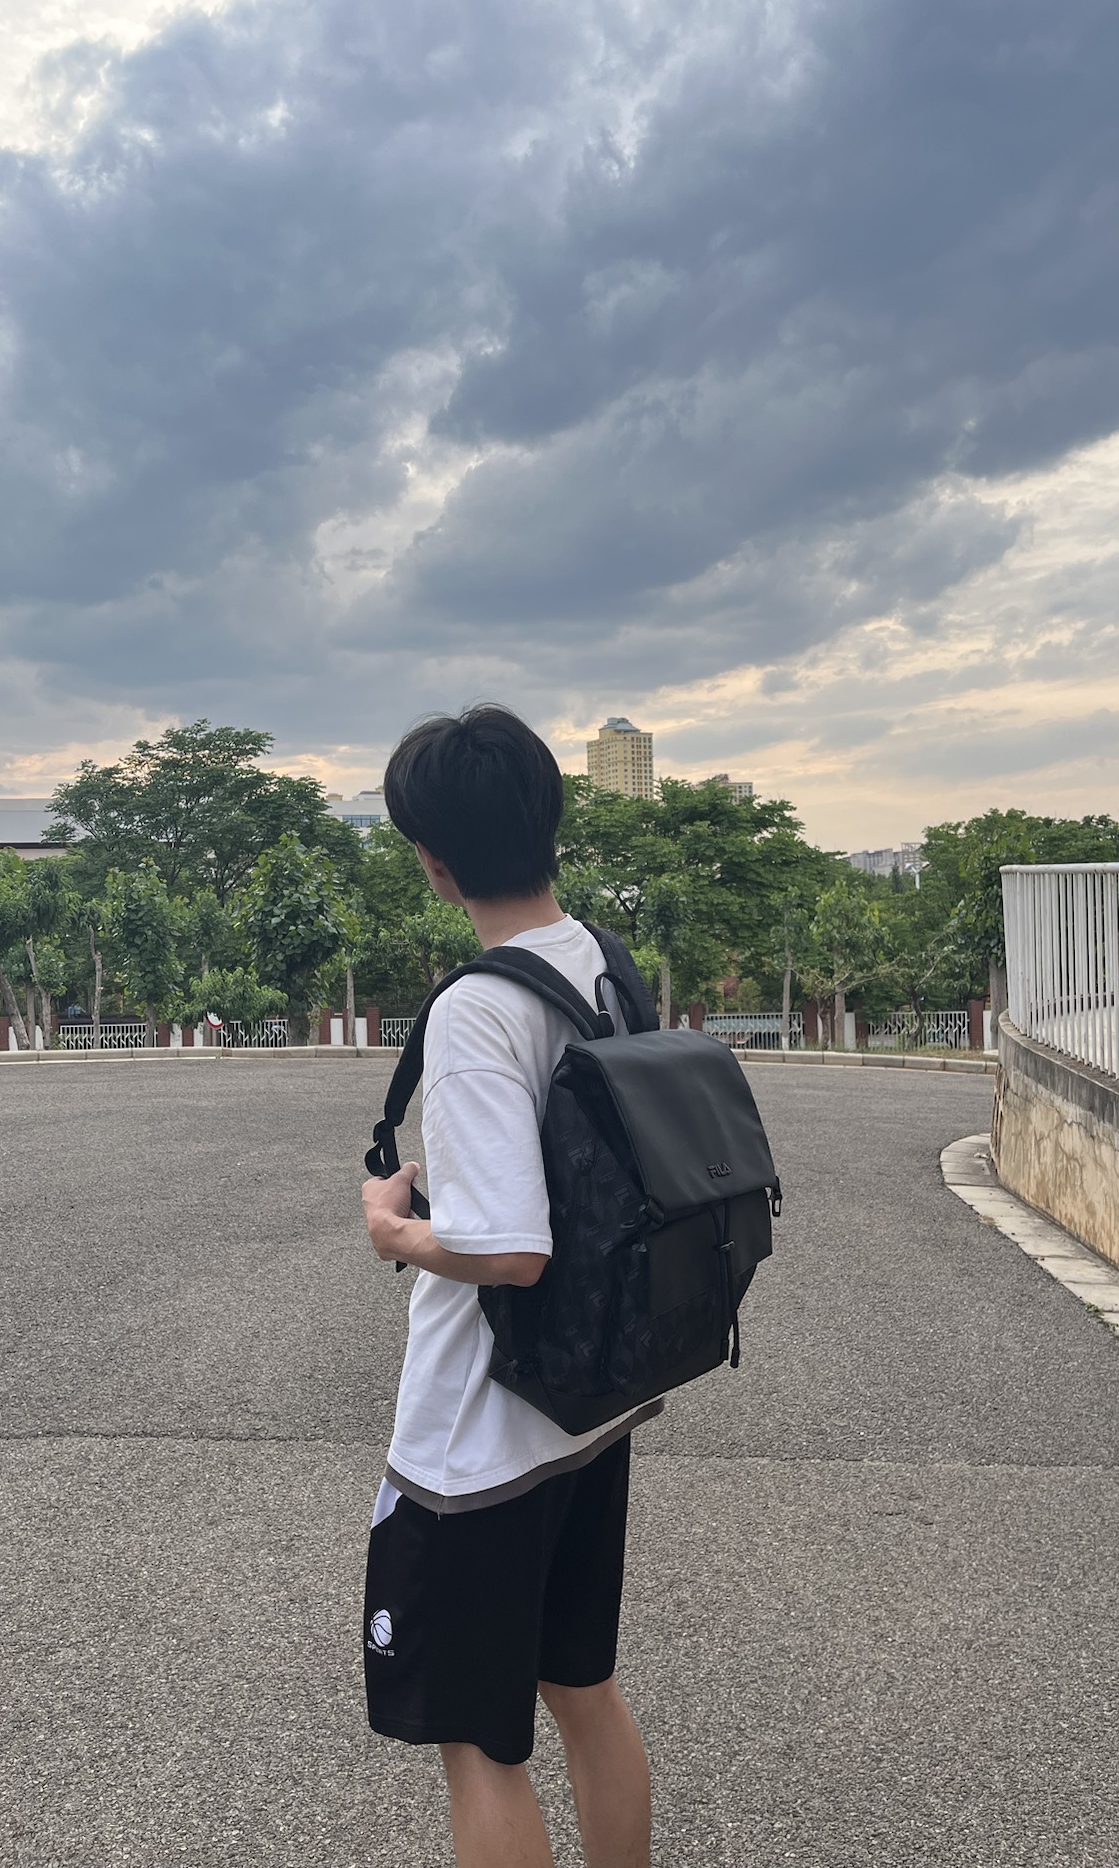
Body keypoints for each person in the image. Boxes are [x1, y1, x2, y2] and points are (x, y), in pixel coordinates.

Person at [361, 705, 655, 1868]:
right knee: (583, 1690)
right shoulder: (600, 962)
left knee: (481, 1748)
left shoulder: (481, 1009)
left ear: (432, 862)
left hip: (481, 1444)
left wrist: (395, 1231)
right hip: (588, 1403)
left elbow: (511, 1248)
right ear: (548, 820)